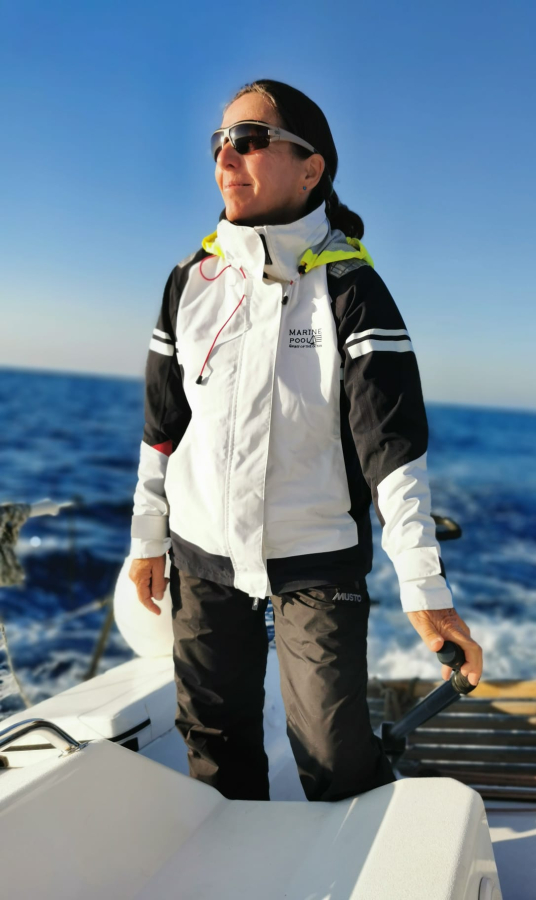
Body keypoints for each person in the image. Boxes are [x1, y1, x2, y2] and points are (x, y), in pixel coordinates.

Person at [128, 78, 483, 803]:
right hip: (200, 555)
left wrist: (424, 588)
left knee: (332, 753)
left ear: (311, 167)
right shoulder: (189, 281)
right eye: (220, 141)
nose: (226, 156)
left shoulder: (351, 288)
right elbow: (163, 430)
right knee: (213, 744)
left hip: (316, 559)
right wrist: (145, 540)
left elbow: (392, 452)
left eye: (250, 139)